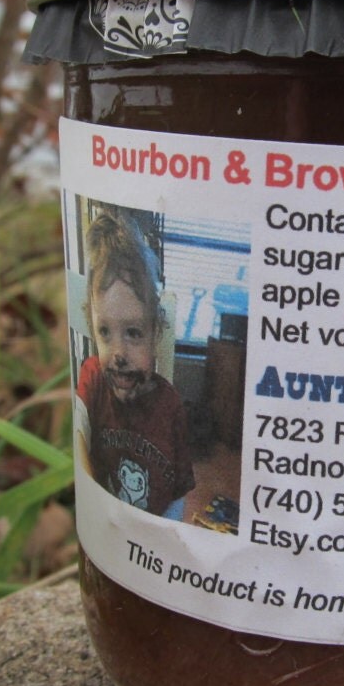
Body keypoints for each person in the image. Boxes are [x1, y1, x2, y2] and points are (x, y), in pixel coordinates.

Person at [75, 211, 195, 521]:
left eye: (133, 333)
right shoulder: (93, 379)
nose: (117, 354)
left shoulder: (171, 408)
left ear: (155, 333)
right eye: (104, 332)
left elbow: (178, 497)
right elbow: (75, 432)